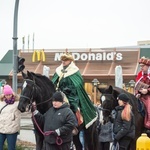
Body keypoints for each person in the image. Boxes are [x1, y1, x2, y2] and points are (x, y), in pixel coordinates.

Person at [51, 52, 98, 149]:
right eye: (62, 60)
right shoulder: (59, 70)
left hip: (71, 94)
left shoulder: (75, 71)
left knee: (72, 105)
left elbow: (78, 85)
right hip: (59, 94)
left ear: (70, 61)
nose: (63, 62)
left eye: (65, 60)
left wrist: (68, 89)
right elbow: (53, 83)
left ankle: (75, 124)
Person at [0, 85, 21, 150]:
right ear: (4, 95)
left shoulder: (17, 103)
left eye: (9, 94)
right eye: (6, 95)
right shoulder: (1, 103)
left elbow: (25, 109)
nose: (8, 96)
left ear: (12, 94)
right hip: (1, 129)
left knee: (11, 148)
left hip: (12, 129)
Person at [134, 56, 150, 130]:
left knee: (149, 105)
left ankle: (148, 123)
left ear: (147, 66)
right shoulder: (140, 74)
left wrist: (147, 91)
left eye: (143, 66)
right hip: (140, 95)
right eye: (140, 66)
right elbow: (136, 85)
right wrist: (137, 93)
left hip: (148, 96)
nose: (141, 68)